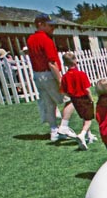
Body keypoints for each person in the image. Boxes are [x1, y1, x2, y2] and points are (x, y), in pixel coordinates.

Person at [26, 13, 76, 142]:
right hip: (49, 74)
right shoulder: (46, 40)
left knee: (49, 104)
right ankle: (64, 127)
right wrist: (60, 80)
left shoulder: (30, 39)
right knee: (70, 99)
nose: (53, 27)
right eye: (50, 25)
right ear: (40, 25)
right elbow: (52, 62)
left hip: (37, 75)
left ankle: (54, 131)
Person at [60, 52, 98, 150]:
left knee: (84, 117)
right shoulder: (81, 74)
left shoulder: (65, 77)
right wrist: (91, 99)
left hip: (75, 100)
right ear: (75, 61)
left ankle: (89, 136)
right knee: (88, 120)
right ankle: (82, 134)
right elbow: (87, 90)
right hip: (84, 98)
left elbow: (64, 91)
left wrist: (72, 95)